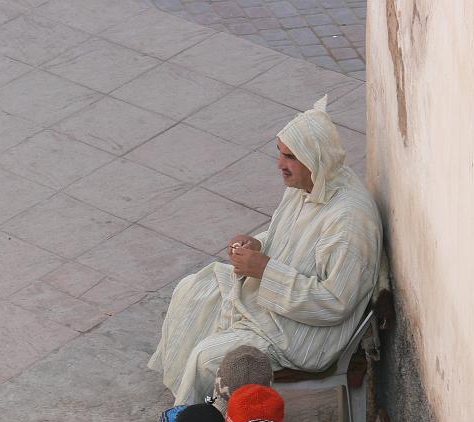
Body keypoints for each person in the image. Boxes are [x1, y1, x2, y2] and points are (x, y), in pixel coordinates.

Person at [148, 96, 382, 404]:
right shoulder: (309, 183)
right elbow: (284, 236)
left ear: (314, 159)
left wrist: (265, 270)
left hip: (303, 335)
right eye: (279, 153)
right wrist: (256, 244)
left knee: (207, 358)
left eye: (290, 157)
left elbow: (335, 303)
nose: (280, 165)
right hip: (274, 303)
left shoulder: (349, 220)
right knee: (192, 290)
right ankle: (191, 408)